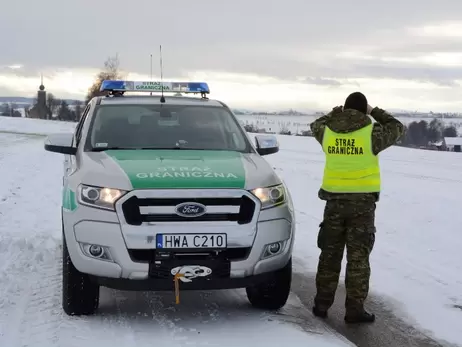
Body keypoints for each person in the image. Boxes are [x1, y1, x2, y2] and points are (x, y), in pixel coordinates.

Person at [309, 92, 404, 324]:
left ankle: (322, 304)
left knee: (329, 255)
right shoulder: (372, 133)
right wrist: (374, 112)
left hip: (334, 205)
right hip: (362, 207)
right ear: (363, 111)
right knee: (358, 258)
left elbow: (315, 124)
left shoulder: (328, 131)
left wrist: (334, 113)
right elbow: (397, 126)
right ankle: (354, 310)